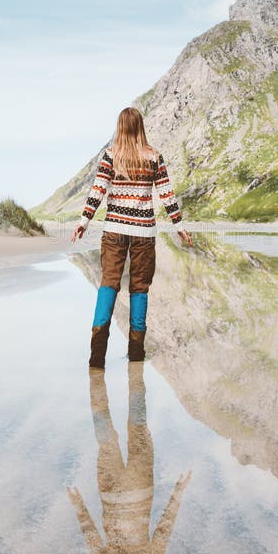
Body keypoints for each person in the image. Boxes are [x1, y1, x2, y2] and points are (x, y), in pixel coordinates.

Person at [67, 363, 191, 554]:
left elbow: (163, 531)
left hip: (139, 487)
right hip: (112, 493)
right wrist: (78, 505)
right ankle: (97, 377)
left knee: (137, 425)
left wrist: (178, 492)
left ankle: (135, 369)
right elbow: (91, 537)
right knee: (106, 435)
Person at [71, 106, 192, 368]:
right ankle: (136, 354)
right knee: (139, 288)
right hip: (143, 234)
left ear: (120, 127)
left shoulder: (111, 156)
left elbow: (98, 190)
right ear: (140, 127)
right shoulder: (153, 157)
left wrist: (84, 221)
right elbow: (166, 194)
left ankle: (96, 358)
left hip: (114, 230)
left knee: (108, 284)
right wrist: (179, 226)